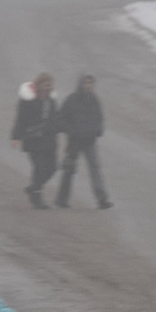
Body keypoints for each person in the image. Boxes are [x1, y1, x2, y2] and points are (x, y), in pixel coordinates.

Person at [54, 74, 110, 210]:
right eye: (86, 83)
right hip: (74, 141)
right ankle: (62, 199)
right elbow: (60, 119)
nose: (88, 86)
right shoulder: (71, 100)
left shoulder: (94, 100)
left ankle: (101, 199)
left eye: (90, 83)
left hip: (90, 140)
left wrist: (98, 130)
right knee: (69, 169)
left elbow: (99, 118)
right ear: (80, 84)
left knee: (95, 168)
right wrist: (71, 131)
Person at [12, 73, 59, 209]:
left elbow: (55, 118)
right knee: (39, 167)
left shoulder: (51, 100)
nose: (48, 87)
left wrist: (59, 127)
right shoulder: (27, 101)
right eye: (45, 84)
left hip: (49, 140)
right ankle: (37, 198)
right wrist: (16, 137)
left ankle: (34, 187)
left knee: (52, 168)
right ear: (39, 85)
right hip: (33, 140)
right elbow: (20, 120)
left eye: (50, 84)